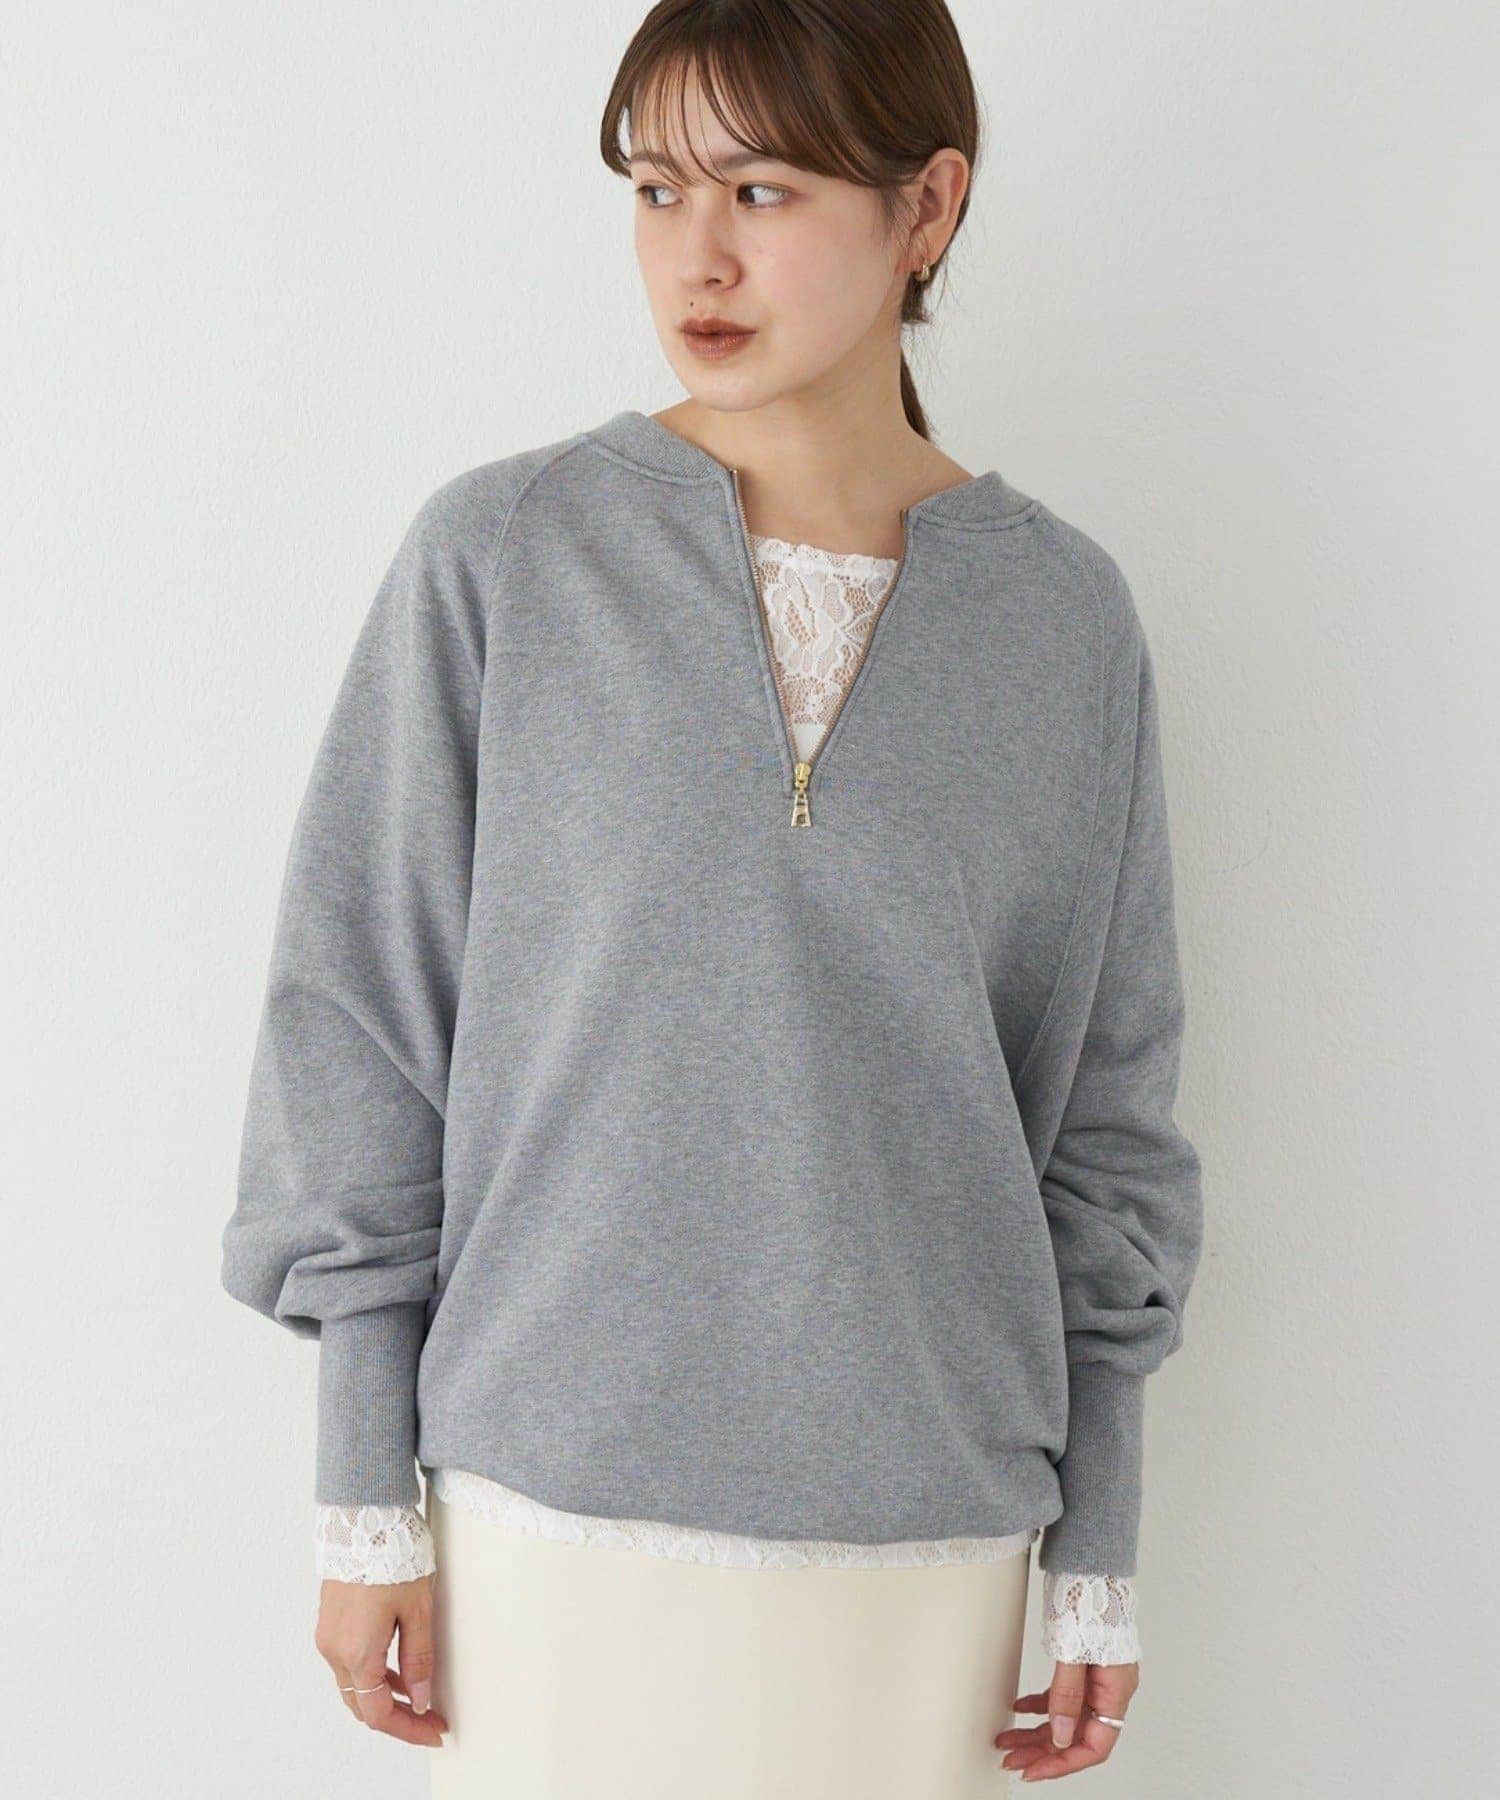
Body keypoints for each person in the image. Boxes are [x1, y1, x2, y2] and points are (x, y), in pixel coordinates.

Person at [220, 2, 1204, 1792]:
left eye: (762, 188)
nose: (698, 254)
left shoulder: (1065, 623)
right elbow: (359, 1026)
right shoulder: (506, 554)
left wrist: (1100, 1553)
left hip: (925, 1541)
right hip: (547, 1513)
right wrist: (365, 1494)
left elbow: (1103, 1121)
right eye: (658, 188)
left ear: (927, 208)